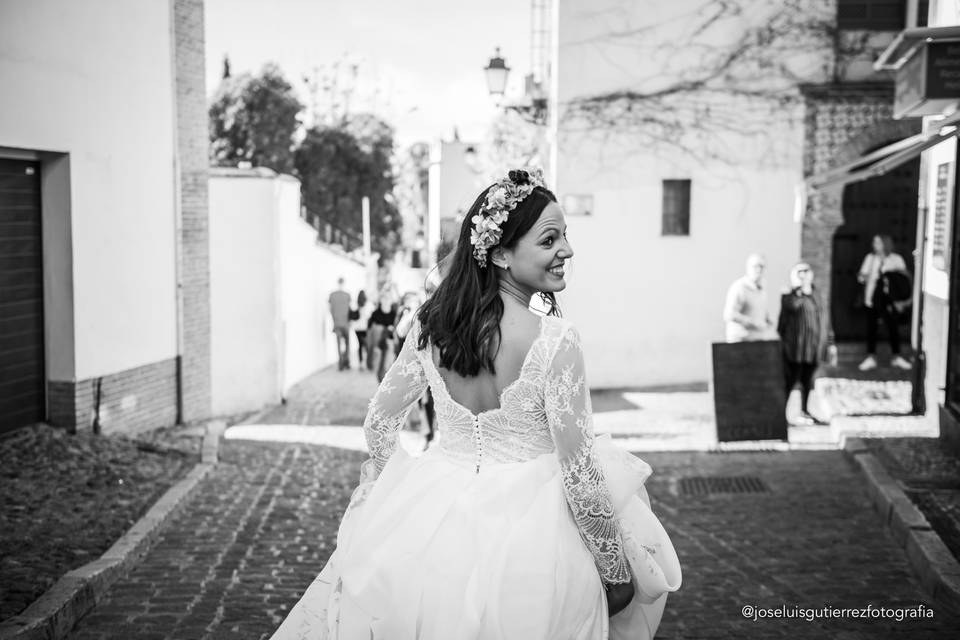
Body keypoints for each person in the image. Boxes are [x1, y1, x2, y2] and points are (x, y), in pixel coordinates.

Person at [269, 168, 681, 639]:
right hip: (537, 540)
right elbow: (580, 474)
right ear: (501, 253)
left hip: (436, 520)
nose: (567, 250)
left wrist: (392, 491)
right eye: (550, 240)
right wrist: (615, 574)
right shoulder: (555, 339)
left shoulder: (431, 327)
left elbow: (380, 422)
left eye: (565, 236)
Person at [777, 263, 829, 426]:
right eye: (800, 271)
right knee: (790, 381)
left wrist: (830, 343)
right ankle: (780, 415)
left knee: (808, 381)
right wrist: (799, 290)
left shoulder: (817, 294)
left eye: (806, 271)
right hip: (795, 348)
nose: (804, 274)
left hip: (813, 348)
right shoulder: (789, 295)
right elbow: (792, 306)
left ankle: (804, 411)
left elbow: (825, 319)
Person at [857, 234, 912, 371]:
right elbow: (861, 277)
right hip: (872, 298)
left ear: (885, 244)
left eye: (878, 242)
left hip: (890, 300)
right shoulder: (870, 259)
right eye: (874, 242)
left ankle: (896, 356)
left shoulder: (895, 259)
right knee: (872, 328)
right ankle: (871, 357)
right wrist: (865, 276)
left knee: (892, 327)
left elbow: (903, 279)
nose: (874, 245)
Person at [723, 254, 775, 342]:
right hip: (741, 341)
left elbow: (758, 311)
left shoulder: (761, 289)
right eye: (755, 266)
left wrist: (767, 320)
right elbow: (729, 314)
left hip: (757, 340)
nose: (759, 270)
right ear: (748, 268)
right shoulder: (739, 287)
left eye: (761, 266)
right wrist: (753, 323)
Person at [368, 289, 398, 382]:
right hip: (377, 343)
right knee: (377, 367)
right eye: (384, 298)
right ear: (380, 300)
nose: (386, 301)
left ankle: (385, 386)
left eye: (388, 299)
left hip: (389, 342)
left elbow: (397, 329)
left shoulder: (394, 314)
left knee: (386, 366)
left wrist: (392, 329)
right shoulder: (375, 314)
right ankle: (380, 386)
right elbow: (370, 329)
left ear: (391, 300)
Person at [328, 277, 352, 371]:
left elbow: (329, 309)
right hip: (345, 323)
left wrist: (334, 318)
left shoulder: (332, 295)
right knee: (347, 343)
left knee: (338, 344)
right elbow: (350, 309)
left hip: (337, 323)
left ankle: (341, 363)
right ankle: (346, 361)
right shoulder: (347, 295)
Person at [353, 290, 373, 369]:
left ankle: (361, 362)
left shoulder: (357, 304)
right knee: (367, 345)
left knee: (360, 345)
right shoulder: (368, 305)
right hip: (365, 328)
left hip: (357, 328)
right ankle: (368, 362)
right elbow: (370, 316)